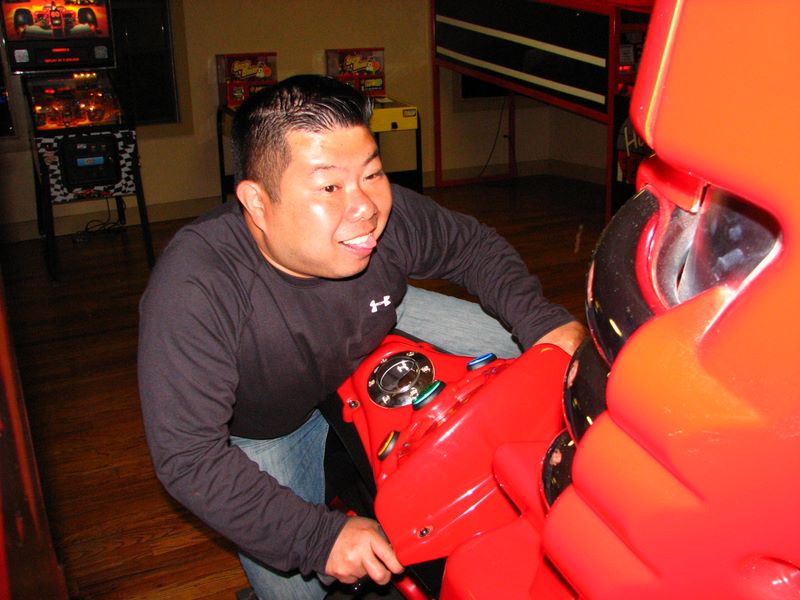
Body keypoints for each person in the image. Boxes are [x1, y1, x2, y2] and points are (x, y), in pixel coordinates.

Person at [137, 74, 585, 599]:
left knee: (544, 359)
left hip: (372, 326)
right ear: (257, 203)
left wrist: (542, 320)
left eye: (372, 174)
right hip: (273, 427)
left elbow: (471, 247)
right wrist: (316, 537)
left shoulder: (378, 222)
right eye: (329, 187)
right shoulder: (195, 285)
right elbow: (188, 457)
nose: (366, 207)